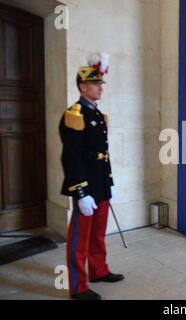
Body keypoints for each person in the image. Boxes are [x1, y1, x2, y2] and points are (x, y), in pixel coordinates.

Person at [59, 52, 124, 300]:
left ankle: (98, 270)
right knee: (80, 237)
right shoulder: (75, 114)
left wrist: (109, 183)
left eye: (101, 84)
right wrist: (81, 192)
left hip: (101, 183)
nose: (100, 88)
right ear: (83, 87)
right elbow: (71, 157)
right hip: (85, 185)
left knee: (98, 233)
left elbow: (102, 154)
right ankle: (78, 286)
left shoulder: (96, 113)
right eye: (96, 84)